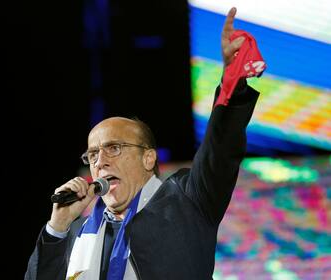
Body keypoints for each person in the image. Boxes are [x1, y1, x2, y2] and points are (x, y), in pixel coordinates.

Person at [25, 7, 263, 280]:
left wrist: (232, 79)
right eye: (92, 155)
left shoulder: (186, 202)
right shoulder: (78, 231)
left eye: (113, 148)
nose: (100, 161)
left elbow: (219, 149)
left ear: (148, 159)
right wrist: (57, 228)